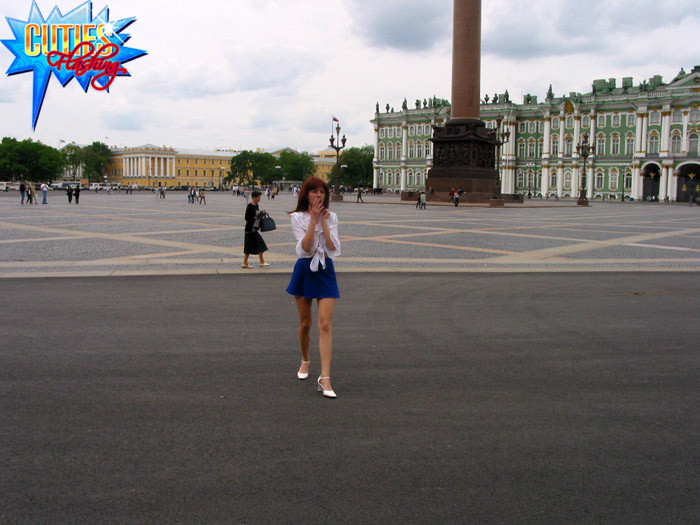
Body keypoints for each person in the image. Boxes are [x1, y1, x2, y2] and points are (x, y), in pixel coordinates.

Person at [286, 177, 341, 398]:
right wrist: (313, 221)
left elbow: (333, 247)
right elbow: (306, 247)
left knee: (325, 324)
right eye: (314, 192)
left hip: (325, 268)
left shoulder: (333, 217)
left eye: (322, 192)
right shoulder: (297, 217)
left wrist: (324, 222)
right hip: (305, 268)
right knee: (306, 323)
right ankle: (305, 359)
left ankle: (325, 377)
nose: (319, 195)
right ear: (306, 194)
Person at [242, 190, 269, 268]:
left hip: (254, 228)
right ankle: (262, 262)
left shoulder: (256, 205)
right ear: (254, 197)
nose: (259, 199)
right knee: (260, 244)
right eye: (258, 197)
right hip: (249, 229)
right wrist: (255, 217)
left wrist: (261, 214)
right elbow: (246, 217)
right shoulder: (250, 206)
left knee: (249, 246)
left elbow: (256, 214)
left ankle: (245, 263)